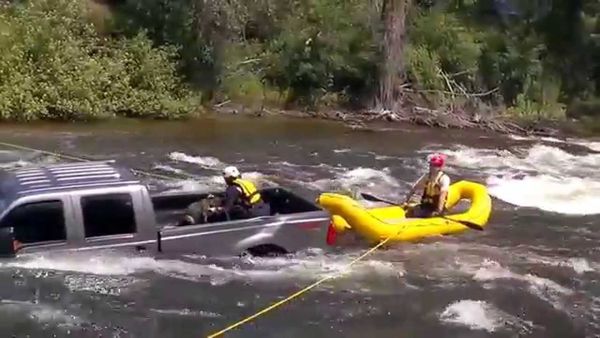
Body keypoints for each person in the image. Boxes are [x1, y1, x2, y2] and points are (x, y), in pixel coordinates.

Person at [404, 153, 450, 218]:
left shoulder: (444, 178)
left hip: (436, 208)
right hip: (426, 205)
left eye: (435, 165)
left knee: (418, 214)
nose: (432, 167)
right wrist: (406, 201)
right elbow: (414, 187)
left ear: (440, 167)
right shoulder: (427, 176)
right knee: (410, 212)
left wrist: (439, 210)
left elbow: (443, 195)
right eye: (431, 165)